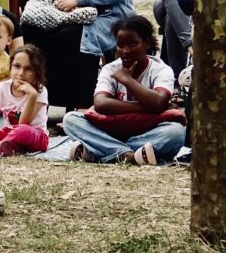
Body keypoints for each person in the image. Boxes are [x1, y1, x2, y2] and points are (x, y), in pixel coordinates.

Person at [63, 16, 185, 165]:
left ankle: (99, 152)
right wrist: (148, 107)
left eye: (132, 44)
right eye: (120, 45)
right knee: (71, 120)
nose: (125, 51)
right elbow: (100, 104)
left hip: (147, 131)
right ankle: (131, 155)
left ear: (146, 43)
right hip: (112, 131)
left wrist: (127, 80)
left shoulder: (161, 70)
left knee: (175, 132)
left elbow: (158, 102)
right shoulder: (110, 69)